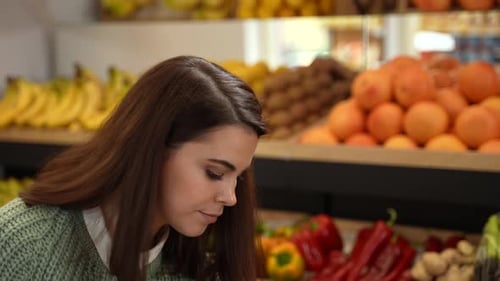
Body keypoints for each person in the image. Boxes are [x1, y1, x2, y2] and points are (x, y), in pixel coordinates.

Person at [0, 55, 267, 281]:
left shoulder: (199, 265)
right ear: (153, 148)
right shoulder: (23, 245)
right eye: (215, 173)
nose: (231, 198)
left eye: (238, 177)